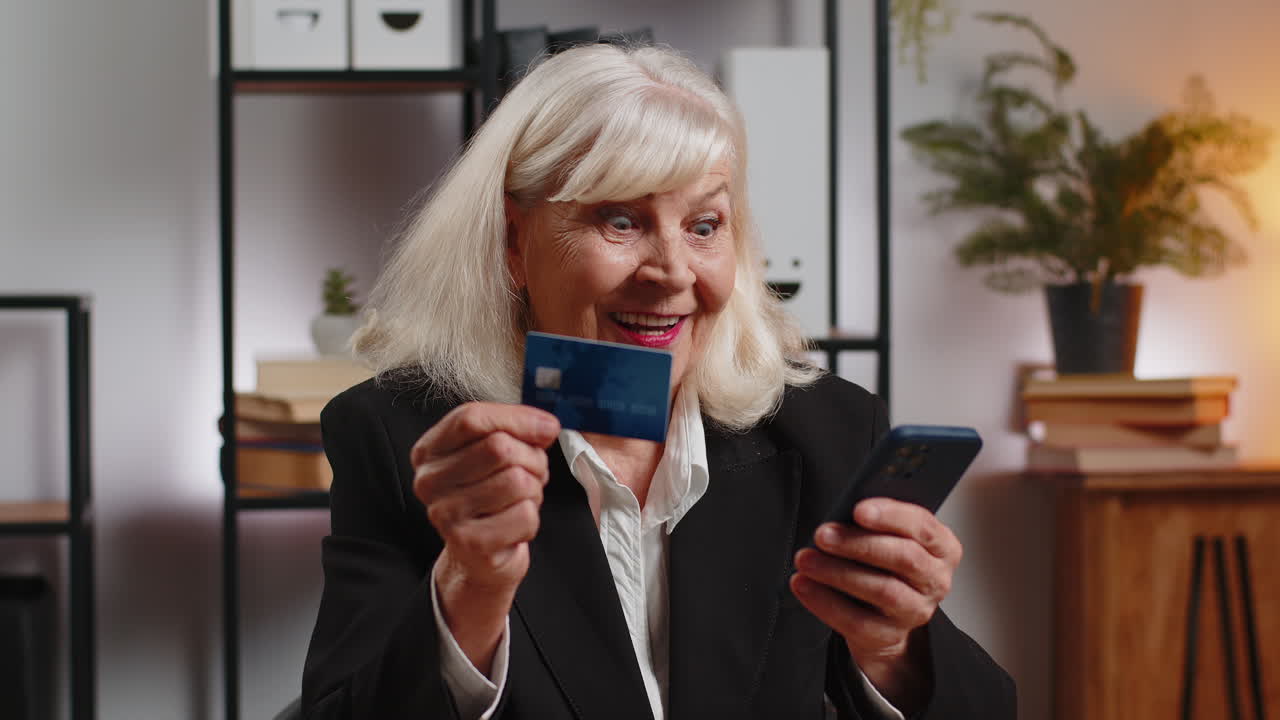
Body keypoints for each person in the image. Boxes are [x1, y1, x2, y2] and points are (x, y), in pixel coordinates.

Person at [301, 43, 1015, 720]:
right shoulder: (399, 437)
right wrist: (470, 591)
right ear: (512, 243)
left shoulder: (827, 429)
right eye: (621, 220)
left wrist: (891, 648)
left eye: (704, 225)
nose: (671, 271)